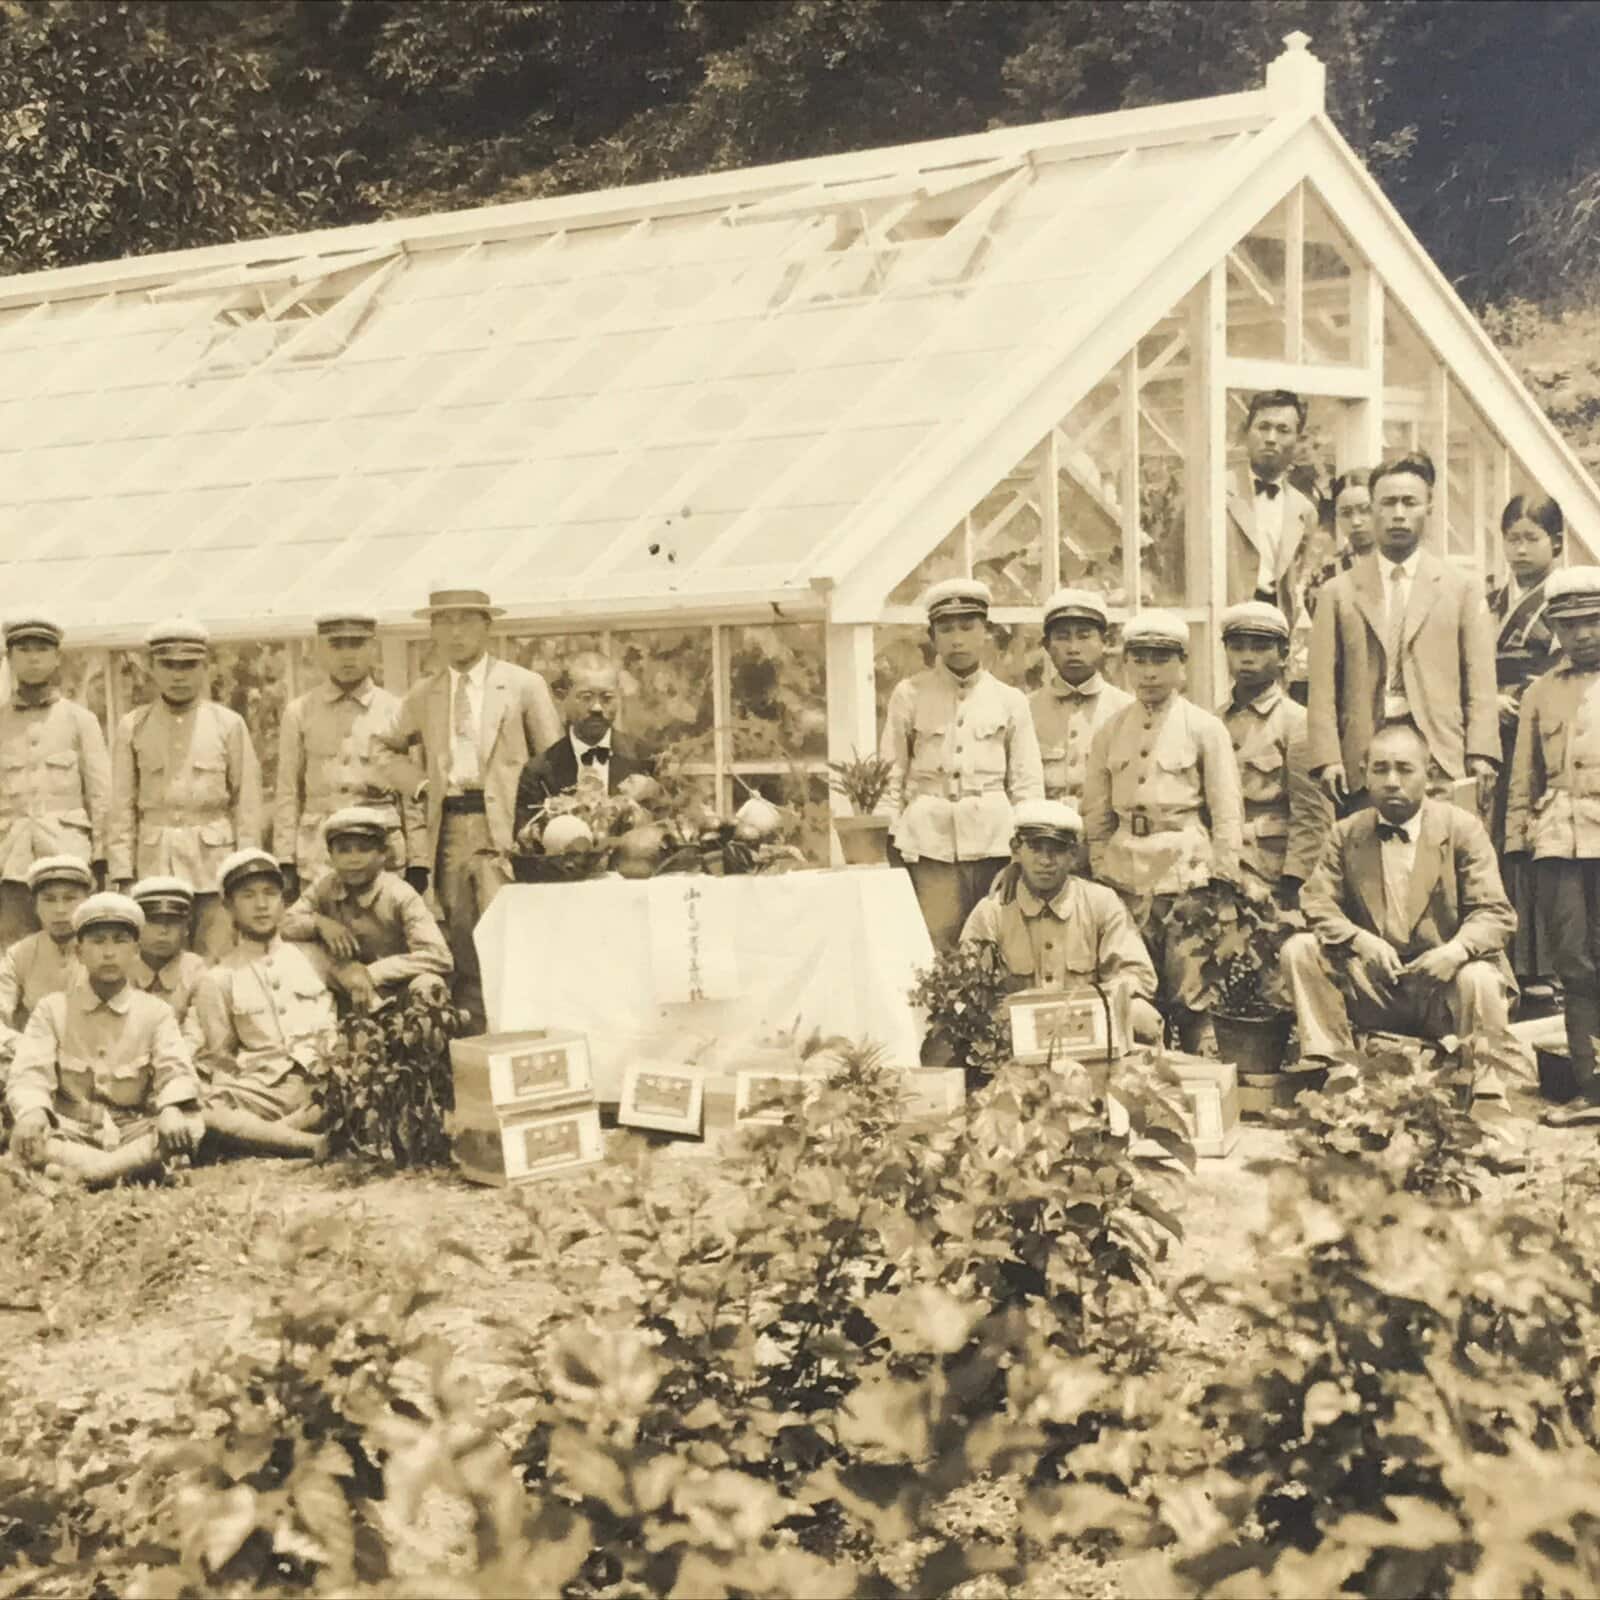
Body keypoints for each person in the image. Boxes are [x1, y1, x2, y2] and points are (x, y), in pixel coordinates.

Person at [1283, 722, 1515, 1093]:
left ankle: (1487, 1089)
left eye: (1405, 769)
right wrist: (1361, 940)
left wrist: (1455, 952)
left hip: (1443, 991)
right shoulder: (1347, 833)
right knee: (1301, 949)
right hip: (1380, 987)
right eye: (1380, 769)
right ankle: (1337, 1068)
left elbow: (1496, 914)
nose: (1392, 781)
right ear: (1365, 775)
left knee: (1482, 977)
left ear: (1429, 773)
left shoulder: (1462, 828)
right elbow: (1316, 900)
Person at [375, 587, 561, 1032]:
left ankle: (527, 1034)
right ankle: (476, 1041)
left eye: (466, 620)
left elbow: (556, 762)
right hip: (452, 828)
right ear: (433, 630)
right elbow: (381, 747)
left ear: (487, 625)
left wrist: (540, 831)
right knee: (463, 938)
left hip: (511, 831)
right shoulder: (425, 694)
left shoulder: (522, 685)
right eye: (445, 622)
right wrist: (420, 785)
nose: (455, 632)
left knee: (515, 934)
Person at [1082, 609, 1244, 1051]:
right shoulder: (1110, 729)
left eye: (1162, 660)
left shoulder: (1204, 727)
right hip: (1124, 876)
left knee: (1191, 992)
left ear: (1181, 665)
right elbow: (1095, 810)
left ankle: (1199, 1081)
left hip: (1186, 875)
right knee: (1131, 986)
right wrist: (1100, 863)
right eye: (1140, 660)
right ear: (1125, 665)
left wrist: (1222, 878)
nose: (1150, 672)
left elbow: (1227, 810)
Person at [1306, 452, 1499, 815]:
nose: (1398, 513)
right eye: (1387, 503)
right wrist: (1328, 758)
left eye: (1409, 502)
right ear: (1373, 508)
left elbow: (1480, 680)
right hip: (1364, 760)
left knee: (1441, 859)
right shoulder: (1338, 592)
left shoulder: (1461, 588)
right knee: (1368, 862)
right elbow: (1322, 689)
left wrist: (1481, 751)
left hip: (1441, 755)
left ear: (1429, 507)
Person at [880, 578, 1044, 951]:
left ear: (985, 632)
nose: (957, 639)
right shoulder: (910, 693)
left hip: (995, 845)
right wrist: (885, 843)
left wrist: (1025, 851)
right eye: (946, 629)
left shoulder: (1010, 700)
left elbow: (1026, 784)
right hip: (928, 846)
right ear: (932, 635)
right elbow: (891, 773)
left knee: (1000, 945)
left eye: (968, 628)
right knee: (937, 949)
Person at [6, 892, 204, 1187]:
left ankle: (85, 1174)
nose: (109, 953)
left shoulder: (155, 1012)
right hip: (72, 1130)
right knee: (28, 1136)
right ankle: (125, 1170)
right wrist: (33, 1111)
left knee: (189, 1124)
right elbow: (30, 1073)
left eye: (120, 941)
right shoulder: (53, 1009)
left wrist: (171, 1108)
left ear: (136, 950)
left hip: (133, 1129)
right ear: (79, 952)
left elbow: (175, 1070)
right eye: (98, 942)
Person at [1504, 566, 1600, 1126]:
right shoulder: (1540, 691)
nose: (1583, 635)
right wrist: (1518, 842)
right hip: (1559, 841)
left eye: (1592, 622)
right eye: (1571, 626)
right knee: (1574, 963)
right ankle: (1590, 1088)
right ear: (1555, 632)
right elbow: (1525, 777)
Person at [108, 617, 263, 960]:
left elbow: (247, 802)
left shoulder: (228, 724)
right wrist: (122, 872)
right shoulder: (133, 725)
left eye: (189, 665)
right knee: (157, 958)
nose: (179, 675)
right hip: (154, 863)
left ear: (204, 667)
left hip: (215, 865)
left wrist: (245, 870)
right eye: (168, 665)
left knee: (217, 956)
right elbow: (121, 805)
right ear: (152, 667)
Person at [960, 799, 1162, 1045]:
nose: (1046, 861)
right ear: (1016, 849)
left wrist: (1093, 1003)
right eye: (1035, 848)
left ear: (1073, 854)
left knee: (1142, 1017)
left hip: (1088, 1025)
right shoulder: (992, 911)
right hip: (1016, 1031)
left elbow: (1136, 973)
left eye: (1056, 849)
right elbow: (967, 985)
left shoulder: (1101, 902)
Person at [191, 849, 337, 1159]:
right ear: (229, 906)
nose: (261, 905)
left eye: (271, 894)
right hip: (264, 1089)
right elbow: (222, 1057)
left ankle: (266, 1138)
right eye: (248, 895)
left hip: (325, 1082)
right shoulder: (218, 978)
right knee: (200, 1110)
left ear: (283, 902)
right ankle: (304, 1142)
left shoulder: (314, 957)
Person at [274, 610, 422, 903]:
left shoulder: (397, 709)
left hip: (382, 851)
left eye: (356, 644)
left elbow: (412, 795)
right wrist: (284, 857)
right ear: (320, 650)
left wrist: (419, 859)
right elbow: (287, 790)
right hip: (319, 851)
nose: (347, 656)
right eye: (336, 645)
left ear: (373, 648)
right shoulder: (300, 711)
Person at [1487, 494, 1564, 1000]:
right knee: (1498, 838)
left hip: (1544, 733)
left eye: (1531, 539)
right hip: (1496, 730)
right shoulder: (1490, 600)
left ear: (1556, 543)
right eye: (1512, 539)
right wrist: (1488, 698)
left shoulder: (1563, 603)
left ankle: (1545, 964)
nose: (1520, 550)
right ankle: (1507, 955)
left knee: (1538, 836)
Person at [0, 612, 112, 947]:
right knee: (12, 948)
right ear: (9, 657)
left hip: (68, 855)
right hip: (11, 860)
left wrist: (103, 859)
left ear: (56, 657)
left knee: (75, 946)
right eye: (24, 649)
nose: (33, 658)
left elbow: (101, 795)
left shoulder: (80, 720)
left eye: (42, 649)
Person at [280, 807, 452, 1012]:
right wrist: (318, 923)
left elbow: (439, 956)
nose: (354, 859)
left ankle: (415, 1040)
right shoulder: (326, 885)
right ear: (330, 856)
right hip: (345, 984)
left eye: (363, 849)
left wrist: (371, 973)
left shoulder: (399, 893)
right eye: (343, 850)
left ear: (383, 854)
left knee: (428, 986)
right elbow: (283, 924)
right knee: (294, 951)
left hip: (396, 986)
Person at [1217, 601, 1329, 903]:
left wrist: (1294, 882)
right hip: (1220, 869)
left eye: (1259, 648)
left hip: (1271, 871)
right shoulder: (1212, 722)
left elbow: (1311, 815)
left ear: (1283, 655)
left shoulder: (1298, 723)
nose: (1247, 658)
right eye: (1237, 647)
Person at [513, 652, 655, 836]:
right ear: (563, 697)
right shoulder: (539, 771)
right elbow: (527, 847)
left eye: (607, 697)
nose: (597, 707)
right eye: (586, 697)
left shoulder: (644, 758)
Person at [1027, 589, 1132, 808]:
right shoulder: (1025, 710)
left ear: (1105, 641)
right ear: (1046, 646)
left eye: (1084, 636)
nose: (1073, 649)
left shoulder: (1126, 710)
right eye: (1062, 637)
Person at [1225, 391, 1320, 620]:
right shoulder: (1215, 493)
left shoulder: (1304, 509)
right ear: (1247, 433)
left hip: (1276, 628)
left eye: (1283, 430)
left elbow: (1299, 581)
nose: (1271, 437)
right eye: (1263, 427)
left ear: (1297, 439)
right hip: (1223, 621)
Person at [0, 855, 92, 1059]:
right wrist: (19, 1044)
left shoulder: (105, 948)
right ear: (35, 905)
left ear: (87, 901)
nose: (59, 910)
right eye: (49, 900)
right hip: (34, 1056)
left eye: (70, 899)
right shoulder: (20, 953)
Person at [130, 876, 208, 1037]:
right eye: (153, 921)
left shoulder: (196, 971)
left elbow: (196, 1033)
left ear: (186, 927)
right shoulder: (124, 968)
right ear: (136, 927)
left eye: (172, 922)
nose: (163, 931)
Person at [1302, 468, 1375, 620]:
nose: (1356, 521)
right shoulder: (1325, 573)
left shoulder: (1404, 567)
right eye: (1346, 513)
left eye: (1365, 510)